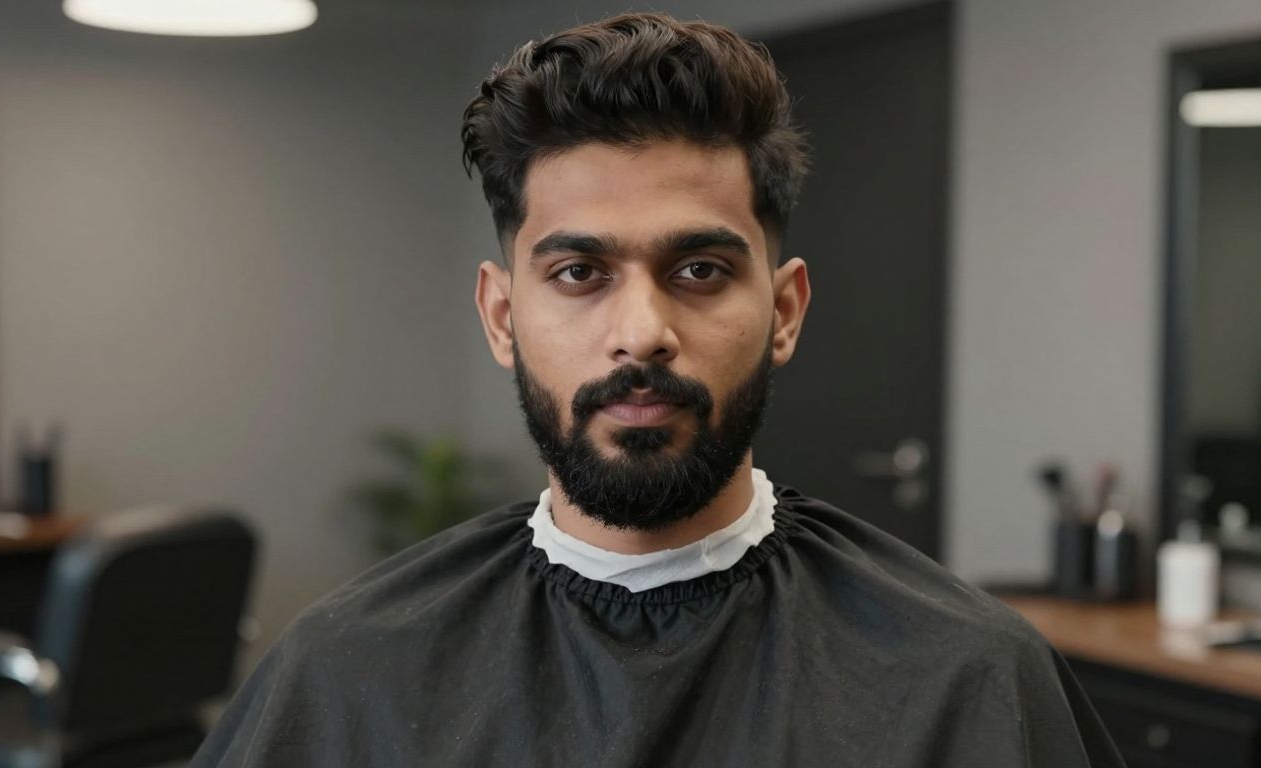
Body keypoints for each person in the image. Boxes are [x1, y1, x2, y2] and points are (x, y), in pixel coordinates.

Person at [193, 13, 1125, 767]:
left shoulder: (967, 678)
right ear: (502, 317)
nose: (641, 331)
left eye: (701, 270)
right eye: (578, 274)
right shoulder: (351, 670)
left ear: (786, 309)